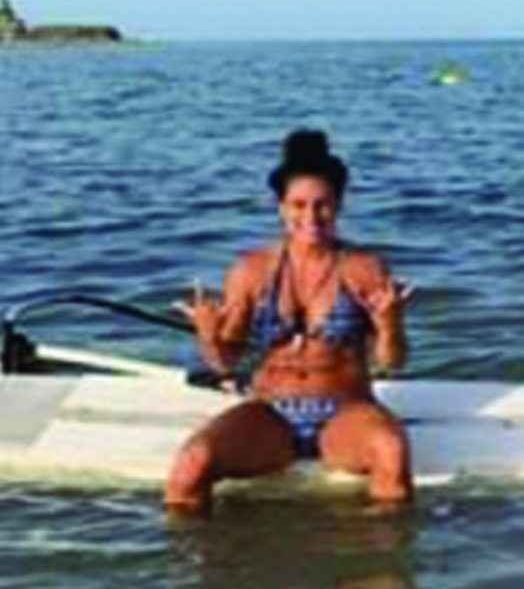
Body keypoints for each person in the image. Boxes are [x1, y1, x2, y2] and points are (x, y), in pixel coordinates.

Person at [165, 129, 413, 514]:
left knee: (392, 453)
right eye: (298, 205)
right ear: (281, 207)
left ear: (339, 205)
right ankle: (203, 569)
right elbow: (226, 364)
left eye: (322, 205)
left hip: (346, 411)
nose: (310, 217)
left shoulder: (364, 268)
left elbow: (392, 363)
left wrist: (390, 323)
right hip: (271, 413)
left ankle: (380, 567)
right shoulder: (250, 271)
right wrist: (209, 338)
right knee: (192, 464)